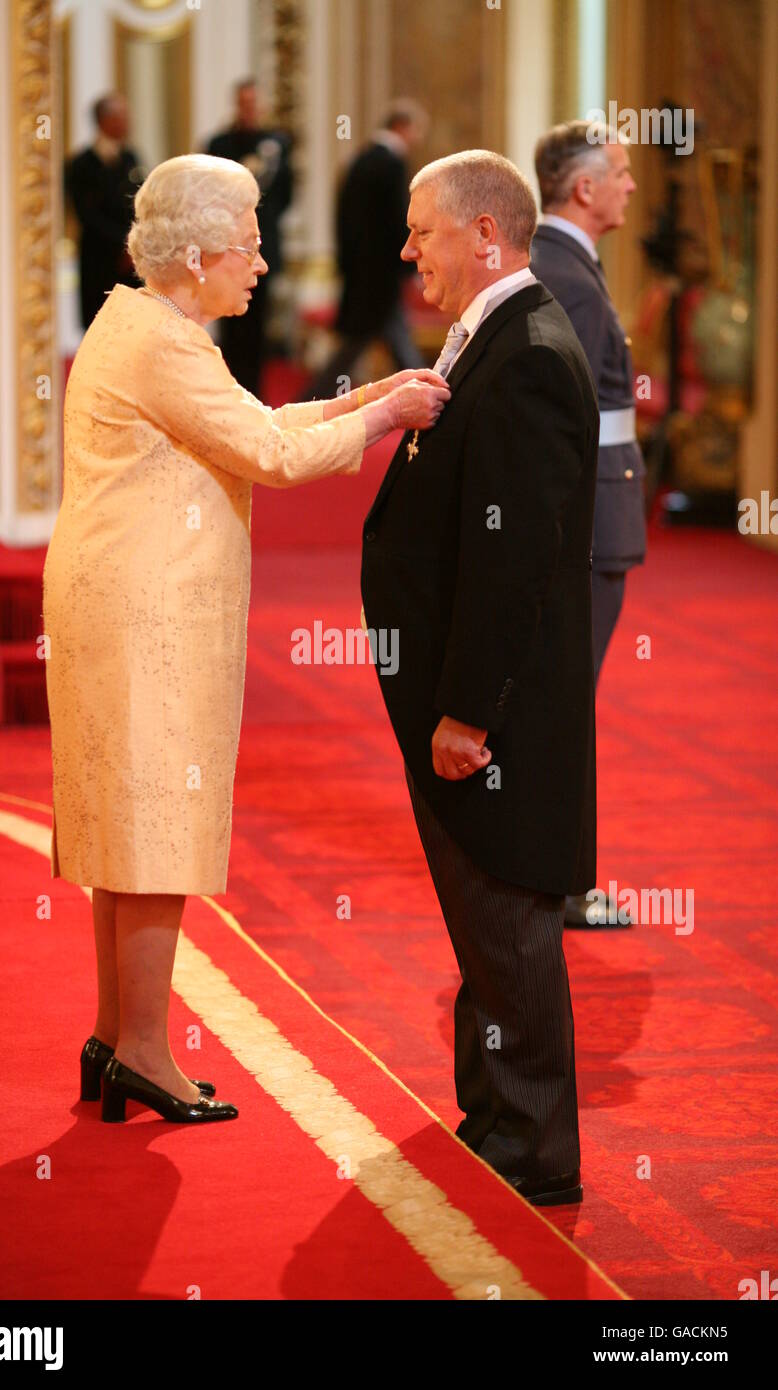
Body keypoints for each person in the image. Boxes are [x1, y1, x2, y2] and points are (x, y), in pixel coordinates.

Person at [42, 153, 449, 1127]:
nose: (263, 262)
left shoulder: (145, 322)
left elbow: (249, 424)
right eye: (250, 242)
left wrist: (359, 400)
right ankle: (143, 1045)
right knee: (153, 831)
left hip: (117, 602)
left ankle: (115, 1034)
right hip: (146, 615)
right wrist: (390, 413)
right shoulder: (168, 344)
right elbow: (269, 453)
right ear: (193, 255)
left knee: (124, 824)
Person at [361, 150, 599, 1206]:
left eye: (421, 229)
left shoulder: (532, 353)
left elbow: (516, 568)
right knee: (481, 917)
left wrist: (463, 711)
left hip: (493, 718)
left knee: (506, 919)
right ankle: (491, 1114)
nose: (406, 248)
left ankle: (535, 1147)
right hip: (461, 704)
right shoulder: (490, 337)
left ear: (484, 234)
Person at [530, 120, 647, 930]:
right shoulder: (565, 274)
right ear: (584, 188)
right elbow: (559, 415)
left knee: (565, 701)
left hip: (602, 507)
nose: (631, 186)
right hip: (590, 519)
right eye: (622, 173)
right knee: (565, 705)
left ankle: (559, 877)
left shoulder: (568, 263)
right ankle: (562, 882)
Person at [307, 99, 429, 401]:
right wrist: (411, 264)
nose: (416, 140)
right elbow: (399, 220)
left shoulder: (358, 160)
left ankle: (427, 390)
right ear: (401, 127)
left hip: (361, 273)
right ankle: (429, 393)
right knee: (365, 342)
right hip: (382, 275)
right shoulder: (393, 163)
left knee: (376, 339)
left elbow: (345, 221)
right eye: (415, 132)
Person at [205, 80, 293, 396]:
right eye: (244, 102)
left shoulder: (278, 143)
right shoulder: (219, 143)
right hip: (226, 248)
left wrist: (254, 231)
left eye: (254, 102)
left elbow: (285, 196)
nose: (249, 109)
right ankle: (227, 390)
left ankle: (254, 394)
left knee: (257, 325)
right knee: (229, 321)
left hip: (262, 244)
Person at [64, 93, 145, 329]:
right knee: (100, 326)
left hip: (130, 262)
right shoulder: (81, 165)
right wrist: (122, 243)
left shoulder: (131, 157)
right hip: (99, 261)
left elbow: (140, 203)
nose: (128, 122)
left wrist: (135, 245)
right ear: (104, 120)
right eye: (121, 116)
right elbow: (87, 216)